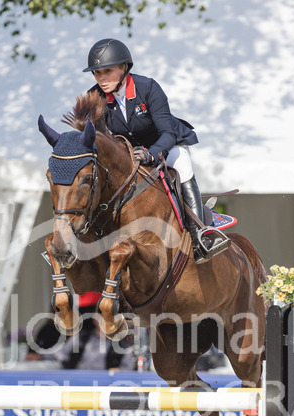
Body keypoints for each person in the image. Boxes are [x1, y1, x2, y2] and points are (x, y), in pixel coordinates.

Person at [83, 38, 229, 264]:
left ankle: (200, 235)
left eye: (107, 71)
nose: (101, 78)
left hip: (165, 144)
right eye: (97, 73)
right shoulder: (95, 97)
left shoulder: (147, 88)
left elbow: (167, 133)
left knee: (182, 164)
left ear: (123, 68)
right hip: (129, 153)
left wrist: (152, 154)